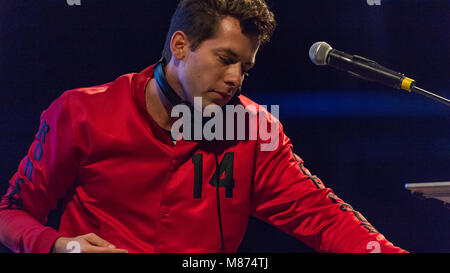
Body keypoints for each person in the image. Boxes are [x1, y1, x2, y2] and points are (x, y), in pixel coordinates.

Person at [0, 0, 406, 253]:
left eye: (245, 68)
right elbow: (11, 213)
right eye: (225, 58)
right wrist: (58, 245)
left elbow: (322, 215)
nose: (235, 78)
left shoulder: (252, 129)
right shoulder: (80, 112)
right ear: (180, 46)